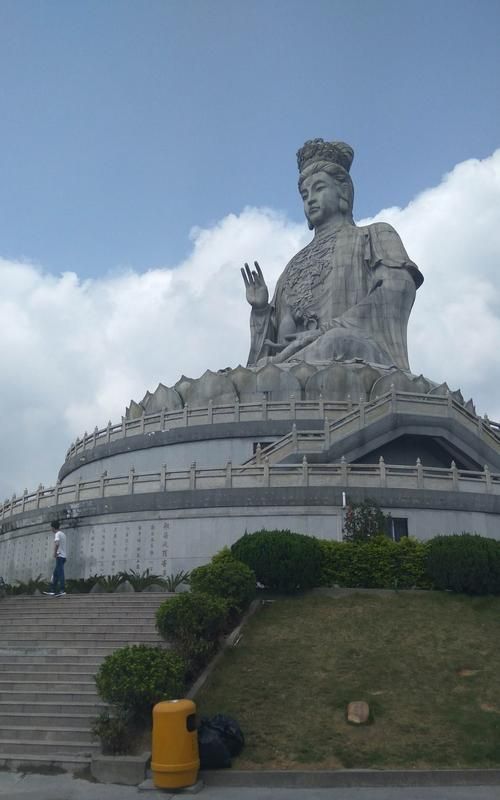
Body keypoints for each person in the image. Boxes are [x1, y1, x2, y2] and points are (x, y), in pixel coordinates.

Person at [241, 138, 423, 371]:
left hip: (348, 355)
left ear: (343, 191)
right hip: (291, 364)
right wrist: (261, 311)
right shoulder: (293, 265)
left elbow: (397, 291)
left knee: (336, 342)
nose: (311, 199)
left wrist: (327, 330)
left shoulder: (374, 235)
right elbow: (272, 342)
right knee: (256, 371)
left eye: (318, 189)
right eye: (305, 195)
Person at [43, 520, 67, 597]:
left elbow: (57, 544)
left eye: (51, 528)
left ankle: (62, 590)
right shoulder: (63, 534)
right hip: (63, 556)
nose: (51, 529)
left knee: (60, 573)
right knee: (55, 574)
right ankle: (52, 590)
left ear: (53, 527)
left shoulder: (57, 534)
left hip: (60, 556)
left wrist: (54, 553)